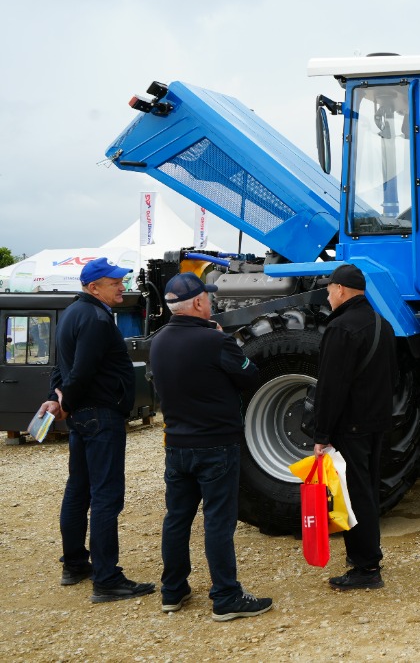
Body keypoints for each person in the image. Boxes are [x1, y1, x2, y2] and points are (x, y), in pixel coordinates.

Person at [148, 273, 273, 620]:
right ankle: (226, 596)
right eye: (208, 298)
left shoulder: (158, 341)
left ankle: (172, 591)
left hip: (177, 445)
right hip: (216, 444)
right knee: (218, 521)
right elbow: (250, 375)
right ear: (200, 303)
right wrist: (227, 342)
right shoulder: (215, 342)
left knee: (177, 519)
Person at [37, 257, 155, 603]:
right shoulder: (95, 318)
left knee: (79, 490)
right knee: (105, 497)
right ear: (94, 287)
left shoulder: (73, 312)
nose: (122, 286)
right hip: (100, 416)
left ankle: (75, 565)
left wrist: (57, 400)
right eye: (114, 282)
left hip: (83, 417)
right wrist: (66, 401)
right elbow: (83, 369)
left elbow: (64, 367)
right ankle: (107, 578)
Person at [311, 264, 396, 590]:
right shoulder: (381, 324)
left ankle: (366, 569)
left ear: (342, 290)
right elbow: (393, 377)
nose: (329, 296)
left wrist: (321, 434)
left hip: (352, 426)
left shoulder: (341, 329)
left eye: (330, 290)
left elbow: (331, 387)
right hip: (377, 423)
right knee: (368, 491)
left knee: (353, 497)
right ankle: (365, 554)